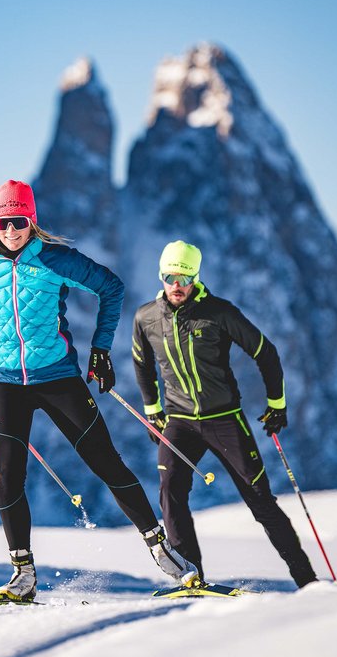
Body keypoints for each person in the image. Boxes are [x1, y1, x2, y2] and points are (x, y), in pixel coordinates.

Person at [0, 180, 198, 603]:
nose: (12, 230)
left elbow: (110, 287)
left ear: (32, 221)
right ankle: (22, 573)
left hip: (58, 378)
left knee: (106, 462)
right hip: (4, 382)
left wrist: (101, 349)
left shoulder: (54, 259)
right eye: (4, 222)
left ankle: (163, 551)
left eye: (20, 221)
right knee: (9, 477)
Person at [131, 240, 317, 588]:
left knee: (260, 501)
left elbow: (266, 352)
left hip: (224, 418)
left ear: (196, 279)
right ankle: (191, 577)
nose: (176, 285)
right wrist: (152, 409)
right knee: (170, 489)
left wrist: (277, 403)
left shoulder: (219, 312)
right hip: (179, 422)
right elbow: (142, 364)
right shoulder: (146, 318)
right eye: (170, 276)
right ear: (161, 276)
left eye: (184, 278)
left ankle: (307, 581)